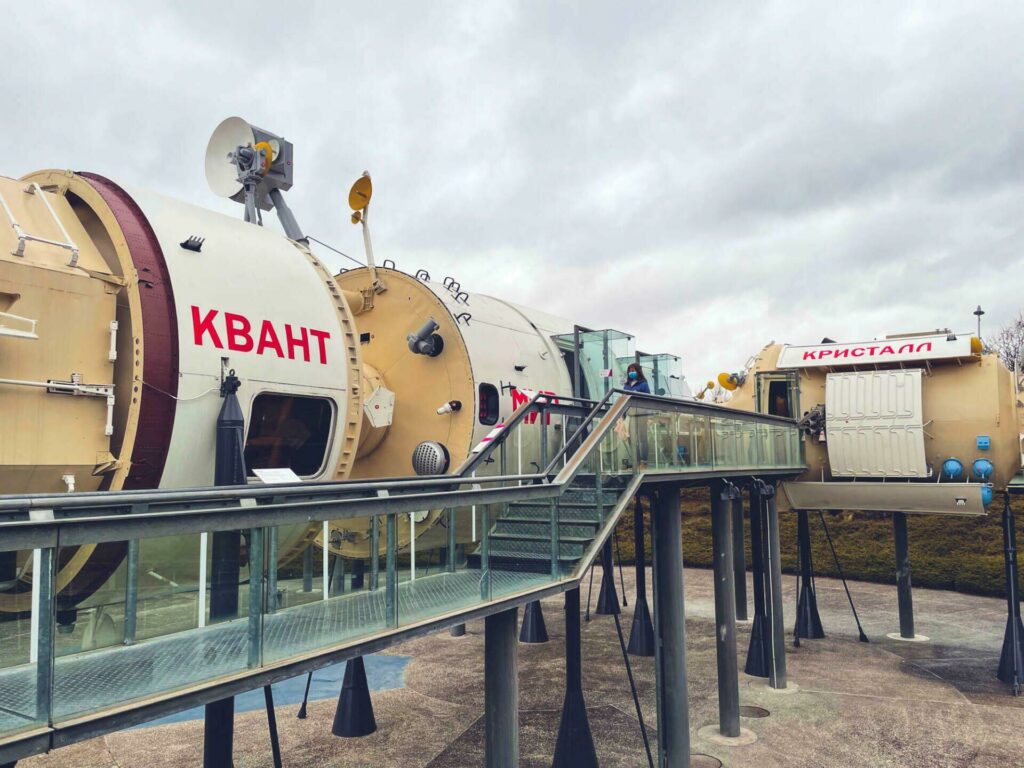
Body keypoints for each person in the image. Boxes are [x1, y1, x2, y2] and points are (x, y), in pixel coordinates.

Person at [623, 363, 650, 465]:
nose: (631, 373)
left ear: (638, 371)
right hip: (632, 414)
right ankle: (637, 461)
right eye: (629, 371)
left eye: (633, 370)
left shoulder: (643, 384)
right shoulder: (626, 386)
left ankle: (644, 462)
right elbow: (624, 401)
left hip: (642, 414)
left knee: (642, 438)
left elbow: (649, 401)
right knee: (630, 438)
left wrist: (649, 416)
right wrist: (622, 416)